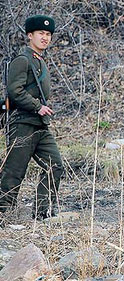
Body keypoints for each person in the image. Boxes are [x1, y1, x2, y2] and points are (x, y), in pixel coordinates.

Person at [0, 15, 64, 220]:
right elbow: (14, 90)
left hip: (39, 124)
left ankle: (41, 212)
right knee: (14, 173)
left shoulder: (40, 62)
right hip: (22, 123)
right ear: (30, 35)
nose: (45, 38)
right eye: (41, 34)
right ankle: (3, 215)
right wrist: (38, 106)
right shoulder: (23, 60)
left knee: (55, 165)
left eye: (48, 34)